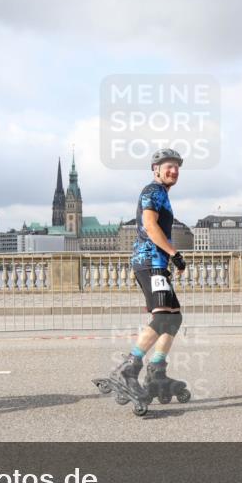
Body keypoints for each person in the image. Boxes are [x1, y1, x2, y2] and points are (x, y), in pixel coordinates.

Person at [92, 148, 191, 415]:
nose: (173, 171)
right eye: (168, 166)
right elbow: (150, 225)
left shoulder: (162, 194)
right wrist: (174, 254)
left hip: (156, 263)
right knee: (161, 318)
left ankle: (157, 371)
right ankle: (127, 369)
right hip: (149, 262)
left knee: (174, 318)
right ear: (155, 169)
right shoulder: (153, 190)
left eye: (177, 167)